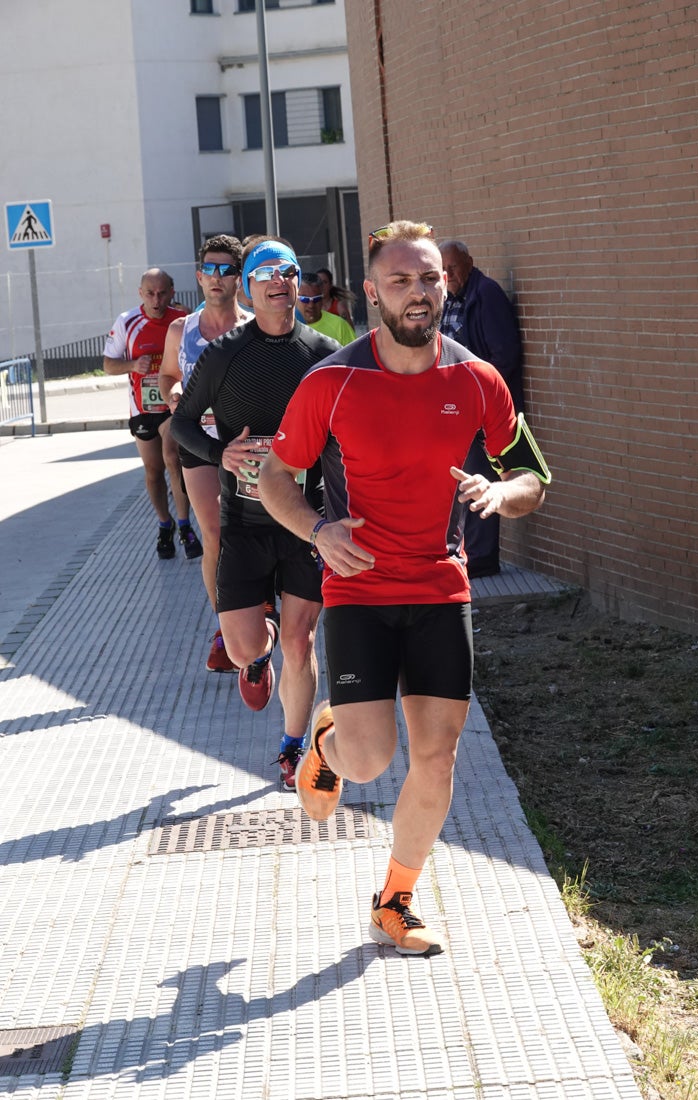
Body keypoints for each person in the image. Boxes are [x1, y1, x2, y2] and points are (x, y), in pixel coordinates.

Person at [259, 220, 551, 956]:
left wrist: (499, 494)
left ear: (443, 285)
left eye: (429, 279)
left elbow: (532, 478)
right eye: (401, 282)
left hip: (439, 588)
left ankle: (395, 898)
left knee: (438, 756)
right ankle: (327, 737)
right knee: (369, 762)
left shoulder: (476, 379)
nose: (418, 294)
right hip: (358, 592)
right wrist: (316, 531)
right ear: (370, 293)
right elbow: (272, 476)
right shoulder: (332, 381)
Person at [170, 239, 340, 788]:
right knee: (246, 645)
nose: (278, 282)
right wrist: (221, 453)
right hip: (242, 525)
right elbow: (182, 424)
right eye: (265, 273)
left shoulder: (320, 354)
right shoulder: (224, 354)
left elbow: (347, 432)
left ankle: (293, 749)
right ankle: (254, 654)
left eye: (288, 272)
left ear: (297, 284)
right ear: (248, 285)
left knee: (301, 641)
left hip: (305, 525)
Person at [159, 235, 253, 673]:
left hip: (247, 444)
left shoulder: (254, 326)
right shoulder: (182, 330)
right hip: (199, 444)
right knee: (214, 535)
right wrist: (175, 392)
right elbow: (167, 377)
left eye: (226, 270)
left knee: (255, 533)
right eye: (209, 270)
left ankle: (261, 611)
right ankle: (225, 628)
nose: (217, 278)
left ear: (239, 278)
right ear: (199, 276)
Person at [439, 239, 525, 578]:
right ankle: (467, 553)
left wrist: (475, 394)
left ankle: (482, 560)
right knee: (460, 482)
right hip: (454, 409)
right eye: (442, 270)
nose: (448, 275)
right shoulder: (450, 298)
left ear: (469, 263)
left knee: (480, 479)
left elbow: (505, 356)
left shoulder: (485, 294)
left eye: (453, 268)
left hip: (481, 409)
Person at [103, 268, 203, 562]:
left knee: (173, 455)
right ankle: (165, 523)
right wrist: (134, 365)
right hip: (143, 407)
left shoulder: (182, 321)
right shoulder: (127, 322)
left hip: (174, 406)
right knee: (152, 471)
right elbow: (109, 364)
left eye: (162, 293)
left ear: (172, 292)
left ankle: (184, 524)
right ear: (140, 294)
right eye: (150, 293)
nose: (156, 300)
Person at [297, 273, 356, 346]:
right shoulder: (285, 328)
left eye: (316, 299)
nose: (311, 305)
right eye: (304, 299)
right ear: (294, 299)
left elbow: (355, 355)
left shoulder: (339, 326)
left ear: (322, 299)